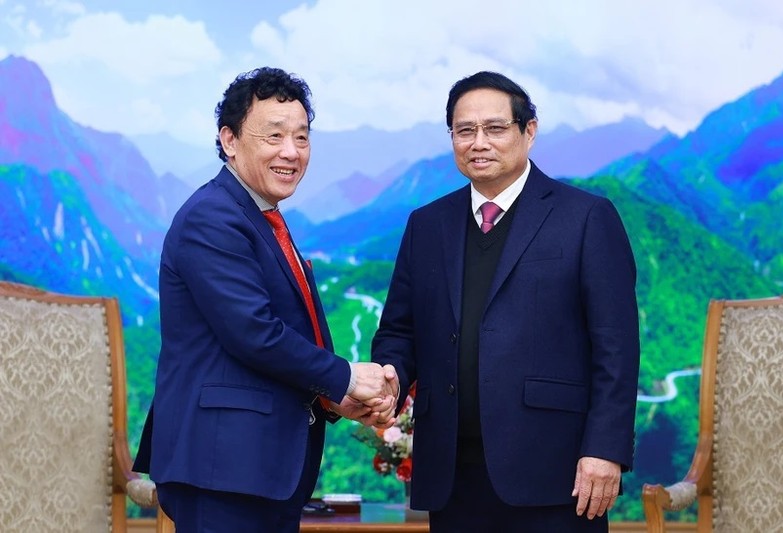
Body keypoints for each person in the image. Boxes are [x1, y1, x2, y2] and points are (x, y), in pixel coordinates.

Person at [371, 71, 640, 532]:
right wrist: (390, 380)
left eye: (495, 128)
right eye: (465, 130)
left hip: (557, 474)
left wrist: (605, 449)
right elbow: (400, 330)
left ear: (528, 131)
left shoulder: (586, 217)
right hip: (453, 477)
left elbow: (615, 345)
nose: (479, 142)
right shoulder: (427, 225)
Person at [134, 67, 397, 533]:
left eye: (301, 137)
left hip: (257, 468)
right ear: (230, 140)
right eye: (273, 136)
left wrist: (333, 396)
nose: (291, 152)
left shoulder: (262, 215)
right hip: (222, 468)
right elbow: (254, 333)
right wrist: (345, 376)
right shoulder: (212, 216)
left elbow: (286, 332)